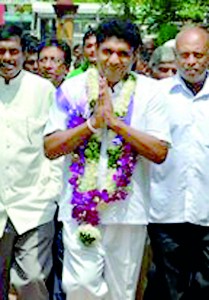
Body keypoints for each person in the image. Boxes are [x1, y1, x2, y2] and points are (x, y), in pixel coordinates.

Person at [43, 19, 171, 300]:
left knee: (121, 292)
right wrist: (91, 125)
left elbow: (160, 151)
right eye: (108, 51)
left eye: (124, 53)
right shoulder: (71, 89)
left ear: (136, 55)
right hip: (80, 210)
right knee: (79, 286)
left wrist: (114, 123)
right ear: (96, 50)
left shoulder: (152, 94)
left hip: (129, 212)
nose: (114, 60)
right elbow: (50, 147)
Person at [145, 26, 209, 300]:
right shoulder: (156, 94)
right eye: (185, 55)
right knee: (170, 290)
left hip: (206, 210)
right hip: (166, 210)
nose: (191, 62)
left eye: (198, 55)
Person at [0, 24, 62, 300]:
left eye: (13, 51)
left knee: (34, 279)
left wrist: (51, 192)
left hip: (34, 205)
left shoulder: (43, 90)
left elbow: (55, 144)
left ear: (25, 54)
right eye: (1, 51)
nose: (7, 57)